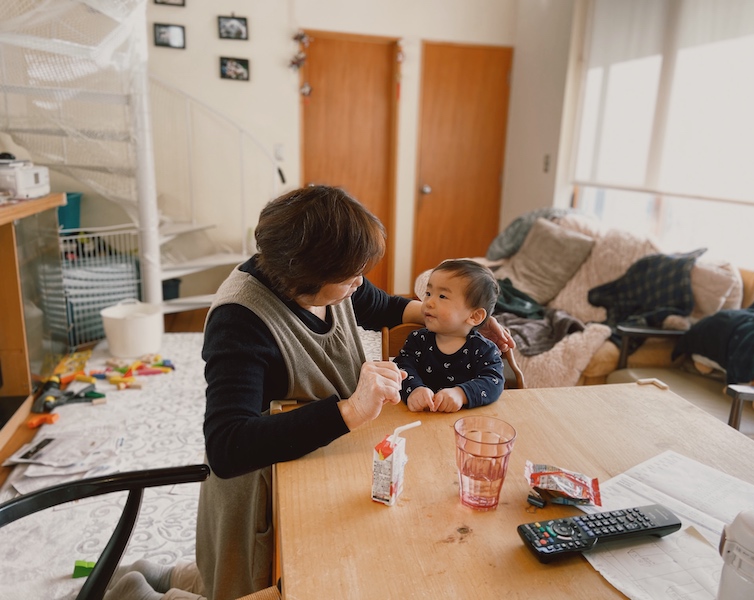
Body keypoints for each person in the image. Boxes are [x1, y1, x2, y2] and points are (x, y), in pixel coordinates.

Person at [183, 185, 514, 600]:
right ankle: (137, 588)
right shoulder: (239, 321)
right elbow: (227, 447)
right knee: (249, 586)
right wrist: (351, 410)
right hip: (261, 488)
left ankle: (158, 578)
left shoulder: (332, 278)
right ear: (305, 274)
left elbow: (381, 307)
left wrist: (461, 323)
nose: (359, 281)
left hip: (322, 457)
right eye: (349, 275)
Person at [394, 259, 504, 413]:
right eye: (428, 293)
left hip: (464, 424)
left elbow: (494, 382)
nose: (428, 302)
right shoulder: (418, 340)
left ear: (475, 316)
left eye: (442, 296)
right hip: (419, 419)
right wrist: (414, 390)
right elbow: (402, 367)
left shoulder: (483, 349)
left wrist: (461, 394)